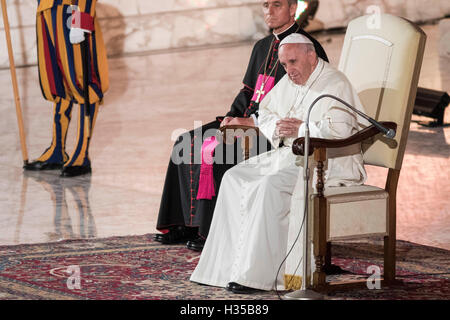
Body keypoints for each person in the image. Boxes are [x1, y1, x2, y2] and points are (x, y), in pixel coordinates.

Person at [190, 33, 369, 294]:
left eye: (293, 62)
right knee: (233, 177)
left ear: (311, 55)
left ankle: (259, 276)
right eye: (284, 65)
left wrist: (302, 127)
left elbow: (342, 132)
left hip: (328, 160)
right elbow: (266, 113)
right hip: (291, 154)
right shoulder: (290, 80)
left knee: (268, 185)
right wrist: (282, 126)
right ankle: (222, 269)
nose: (289, 70)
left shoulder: (335, 83)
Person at [154, 0, 329, 252]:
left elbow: (302, 101)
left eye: (277, 5)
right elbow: (249, 91)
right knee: (187, 142)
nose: (269, 11)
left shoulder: (306, 48)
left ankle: (211, 230)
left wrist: (250, 123)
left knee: (219, 152)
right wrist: (231, 116)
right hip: (245, 120)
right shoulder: (262, 46)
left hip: (272, 131)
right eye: (266, 5)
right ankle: (184, 223)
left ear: (293, 9)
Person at [24, 0, 109, 177]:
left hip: (71, 12)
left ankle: (82, 155)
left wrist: (81, 19)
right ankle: (57, 151)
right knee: (58, 81)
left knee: (82, 81)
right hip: (47, 11)